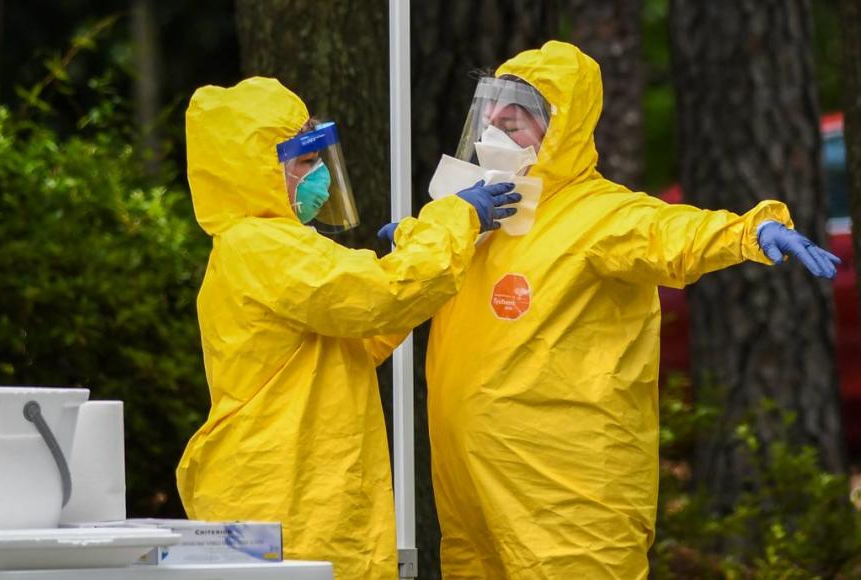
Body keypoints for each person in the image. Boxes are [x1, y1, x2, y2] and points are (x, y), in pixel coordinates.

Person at [414, 41, 840, 579]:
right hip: (473, 489)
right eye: (489, 121)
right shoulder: (477, 221)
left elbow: (668, 233)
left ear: (559, 131)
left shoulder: (599, 216)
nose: (495, 137)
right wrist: (422, 241)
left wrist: (748, 231)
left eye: (515, 124)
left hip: (567, 496)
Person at [174, 77, 520, 580]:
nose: (320, 178)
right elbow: (381, 297)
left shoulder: (270, 248)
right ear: (255, 172)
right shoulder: (261, 246)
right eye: (304, 163)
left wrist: (415, 260)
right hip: (286, 491)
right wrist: (453, 220)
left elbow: (359, 337)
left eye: (319, 161)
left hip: (293, 485)